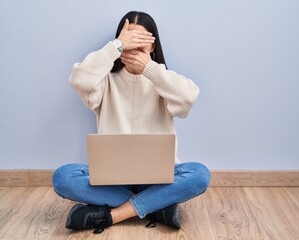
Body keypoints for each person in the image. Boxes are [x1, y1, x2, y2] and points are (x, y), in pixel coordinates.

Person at [52, 11, 210, 234]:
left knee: (199, 174)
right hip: (112, 180)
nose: (134, 50)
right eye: (129, 42)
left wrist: (149, 69)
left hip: (158, 178)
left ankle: (113, 214)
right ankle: (157, 206)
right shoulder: (105, 81)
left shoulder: (162, 80)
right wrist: (115, 45)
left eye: (141, 43)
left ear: (153, 47)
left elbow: (188, 98)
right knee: (63, 177)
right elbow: (79, 80)